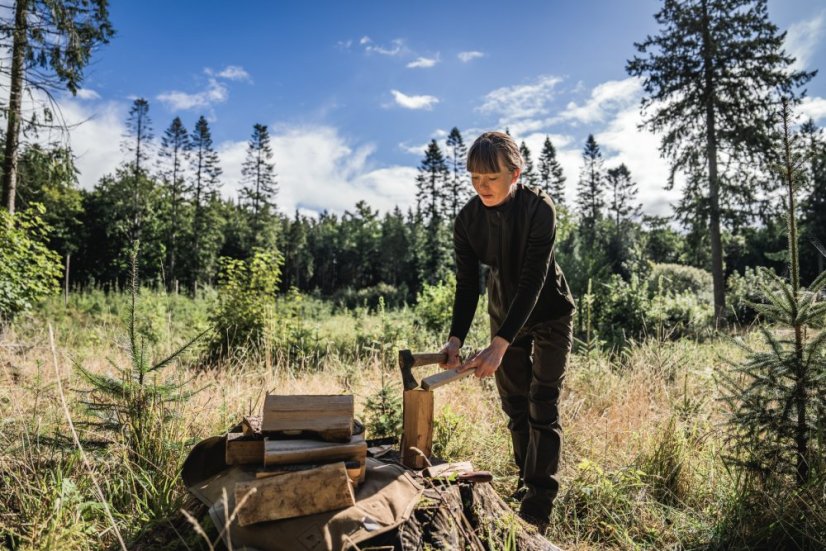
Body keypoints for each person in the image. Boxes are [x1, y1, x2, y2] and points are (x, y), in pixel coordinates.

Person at [439, 130, 576, 528]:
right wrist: (455, 339)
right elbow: (468, 285)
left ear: (515, 174)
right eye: (474, 177)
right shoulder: (467, 221)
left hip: (549, 312)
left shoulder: (539, 208)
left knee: (542, 403)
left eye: (491, 177)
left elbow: (533, 280)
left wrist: (499, 345)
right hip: (503, 312)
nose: (481, 186)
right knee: (515, 405)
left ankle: (537, 507)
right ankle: (524, 482)